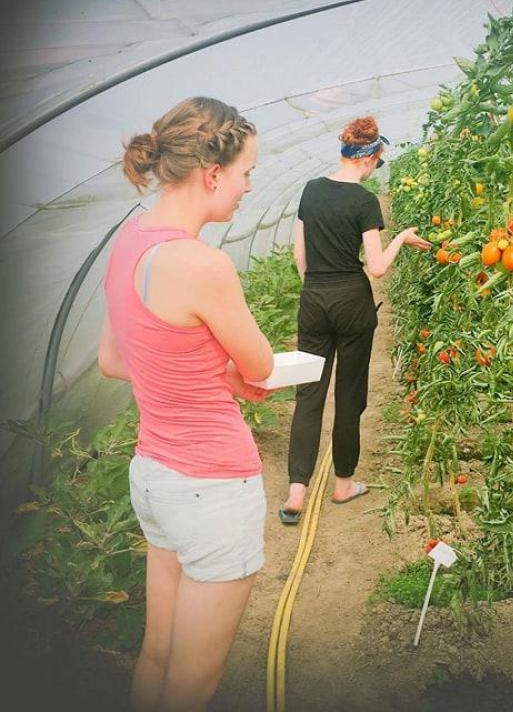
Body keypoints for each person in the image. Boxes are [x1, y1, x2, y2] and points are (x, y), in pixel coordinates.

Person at [98, 97, 274, 712]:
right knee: (194, 683)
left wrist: (201, 373)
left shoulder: (128, 241)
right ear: (213, 172)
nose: (250, 186)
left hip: (156, 478)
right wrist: (227, 375)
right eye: (248, 171)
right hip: (213, 488)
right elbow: (261, 366)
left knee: (157, 655)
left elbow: (114, 360)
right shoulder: (203, 264)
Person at [279, 116, 430, 524]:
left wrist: (316, 288)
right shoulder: (364, 202)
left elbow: (299, 256)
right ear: (368, 160)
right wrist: (401, 237)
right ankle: (343, 484)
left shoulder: (311, 191)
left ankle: (296, 492)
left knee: (309, 395)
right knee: (349, 396)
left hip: (314, 297)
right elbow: (377, 268)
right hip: (352, 301)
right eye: (378, 163)